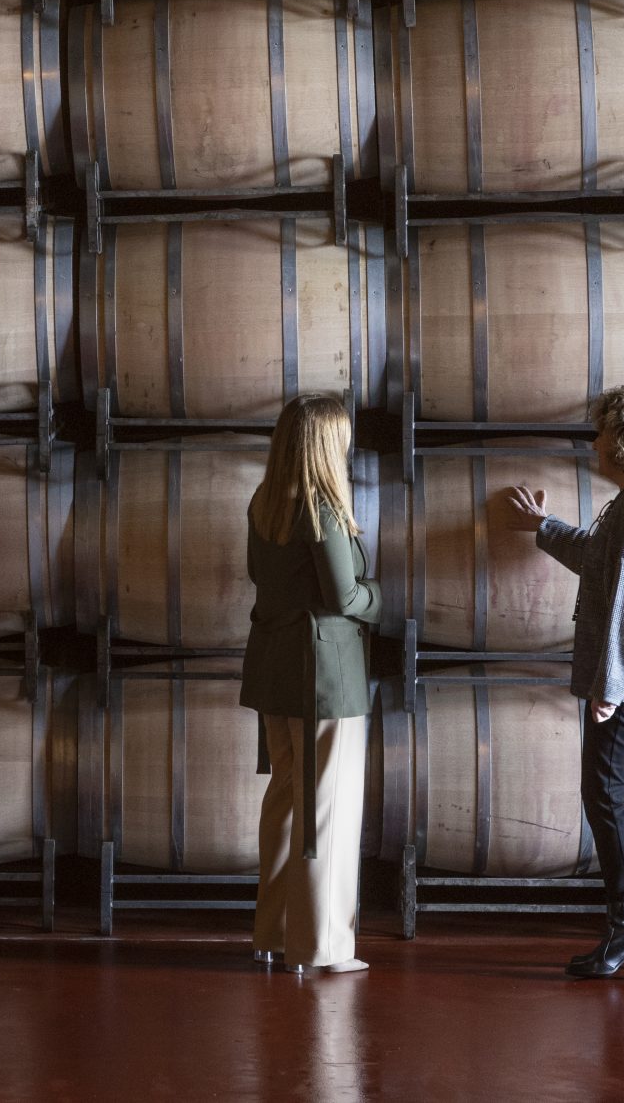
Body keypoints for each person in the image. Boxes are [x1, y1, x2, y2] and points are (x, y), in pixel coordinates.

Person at [499, 384, 624, 981]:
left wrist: (608, 687)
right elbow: (601, 560)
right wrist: (545, 526)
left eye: (604, 430)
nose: (596, 441)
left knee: (603, 795)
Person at [241, 391, 382, 976]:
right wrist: (379, 598)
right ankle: (322, 945)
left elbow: (264, 580)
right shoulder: (323, 507)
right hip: (325, 675)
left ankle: (272, 933)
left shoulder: (265, 501)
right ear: (327, 442)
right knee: (328, 809)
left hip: (275, 667)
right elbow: (345, 596)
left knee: (284, 803)